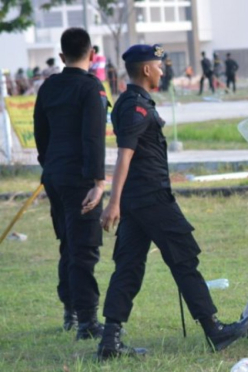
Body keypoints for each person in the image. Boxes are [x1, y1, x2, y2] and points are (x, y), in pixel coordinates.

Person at [96, 44, 248, 360]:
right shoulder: (136, 107)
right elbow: (124, 156)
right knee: (184, 260)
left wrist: (121, 201)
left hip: (139, 201)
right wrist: (113, 203)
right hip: (152, 199)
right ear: (147, 70)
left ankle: (110, 341)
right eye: (159, 65)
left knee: (128, 267)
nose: (163, 70)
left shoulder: (128, 102)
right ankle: (214, 330)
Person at [33, 27, 108, 340]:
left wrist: (48, 164)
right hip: (80, 179)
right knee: (84, 249)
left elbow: (41, 133)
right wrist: (98, 181)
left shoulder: (48, 87)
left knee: (68, 243)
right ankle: (87, 321)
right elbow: (94, 137)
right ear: (92, 55)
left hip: (55, 175)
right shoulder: (92, 88)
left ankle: (71, 309)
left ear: (62, 56)